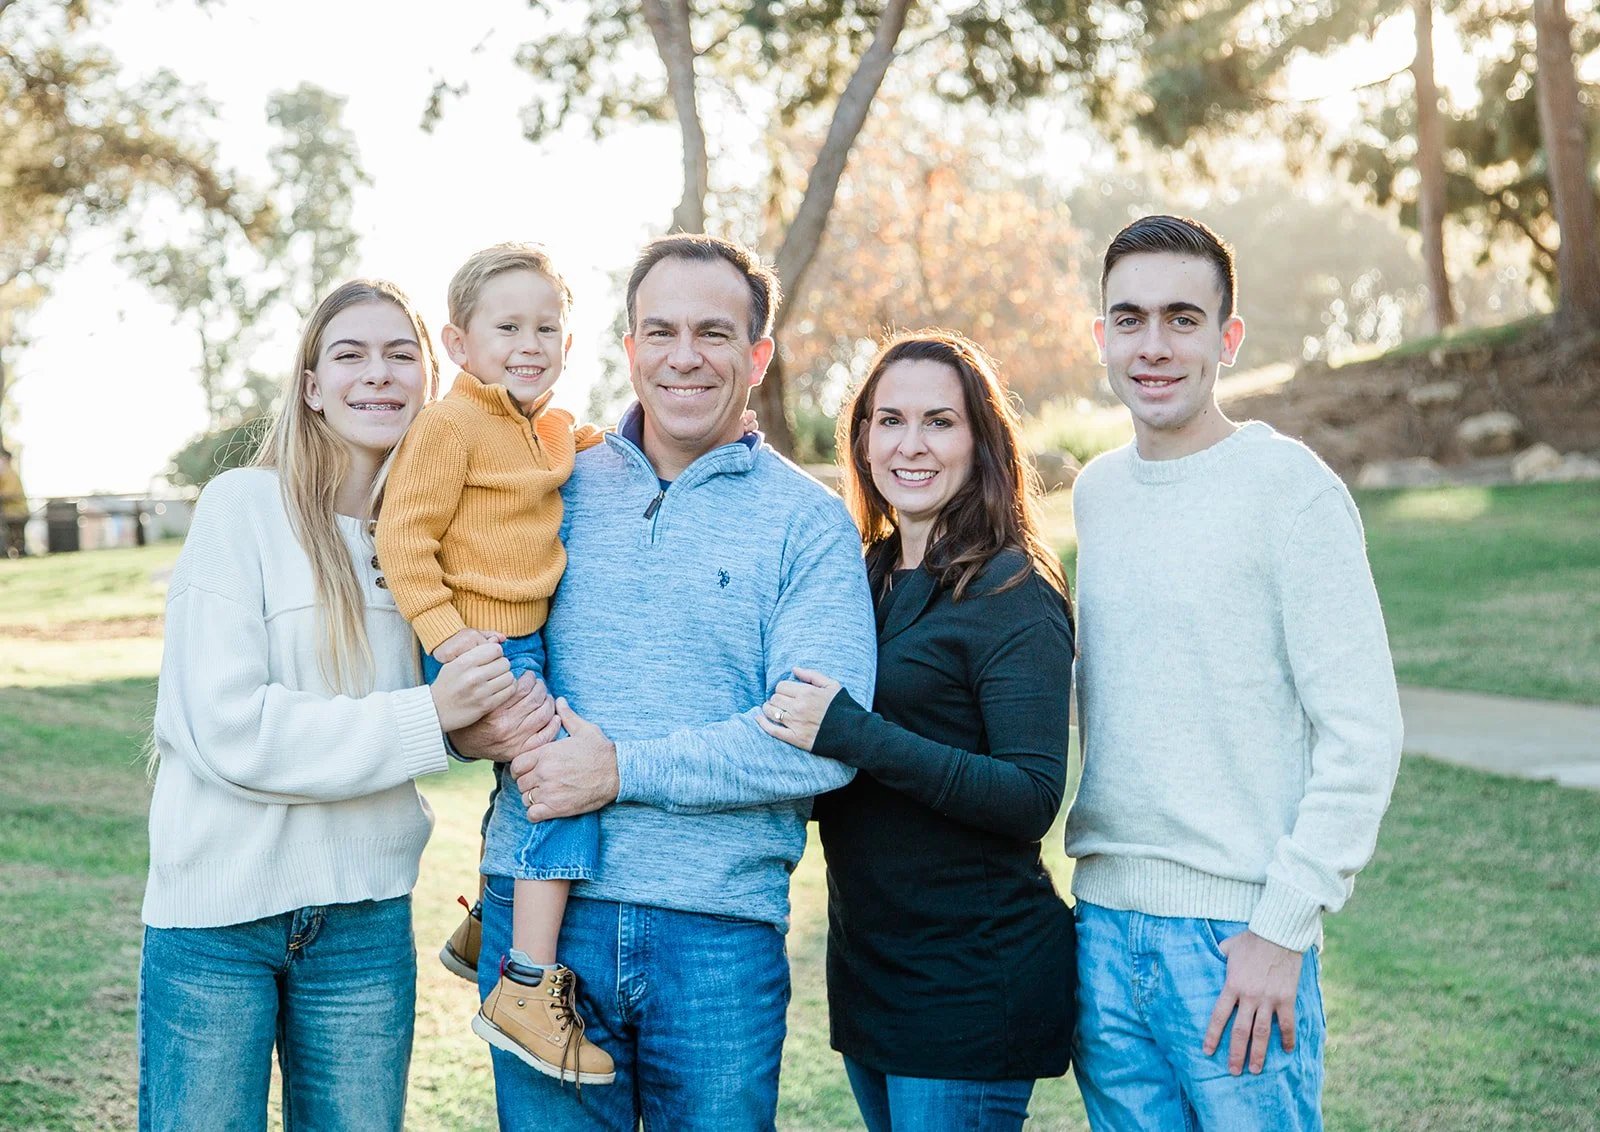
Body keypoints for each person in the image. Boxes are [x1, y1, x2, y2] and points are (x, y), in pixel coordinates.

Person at [451, 233, 878, 1130]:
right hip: (538, 934)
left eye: (716, 334)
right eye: (662, 331)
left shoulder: (807, 522)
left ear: (758, 356)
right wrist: (467, 724)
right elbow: (476, 636)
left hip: (715, 933)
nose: (685, 356)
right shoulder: (548, 483)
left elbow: (820, 743)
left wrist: (620, 771)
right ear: (630, 348)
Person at [138, 280, 521, 1131]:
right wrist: (431, 716)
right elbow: (228, 728)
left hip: (364, 924)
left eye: (400, 355)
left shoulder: (428, 551)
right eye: (349, 355)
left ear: (429, 378)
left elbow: (472, 704)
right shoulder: (243, 509)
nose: (377, 376)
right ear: (312, 386)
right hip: (217, 928)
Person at [1066, 215, 1405, 1131]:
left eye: (1183, 317)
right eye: (1129, 319)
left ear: (1228, 336)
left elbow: (1364, 733)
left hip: (1237, 943)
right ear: (1100, 336)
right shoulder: (1095, 495)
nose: (1155, 345)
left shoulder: (1289, 489)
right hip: (1100, 931)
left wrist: (1283, 926)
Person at [756, 330, 1077, 1132]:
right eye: (889, 420)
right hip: (870, 970)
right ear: (861, 438)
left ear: (981, 441)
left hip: (971, 981)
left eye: (939, 421)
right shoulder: (859, 576)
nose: (911, 444)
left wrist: (853, 733)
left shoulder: (1012, 588)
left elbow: (1030, 795)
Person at [374, 243, 614, 1084]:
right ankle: (523, 984)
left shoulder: (546, 424)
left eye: (547, 327)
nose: (529, 342)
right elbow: (403, 540)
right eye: (507, 326)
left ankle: (488, 924)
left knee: (522, 782)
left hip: (532, 636)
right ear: (459, 343)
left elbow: (588, 446)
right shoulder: (448, 425)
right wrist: (451, 644)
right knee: (562, 785)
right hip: (485, 642)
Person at [0, 449, 27, 557]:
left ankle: (16, 552)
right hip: (10, 511)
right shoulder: (5, 475)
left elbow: (7, 494)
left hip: (16, 511)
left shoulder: (10, 474)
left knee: (15, 536)